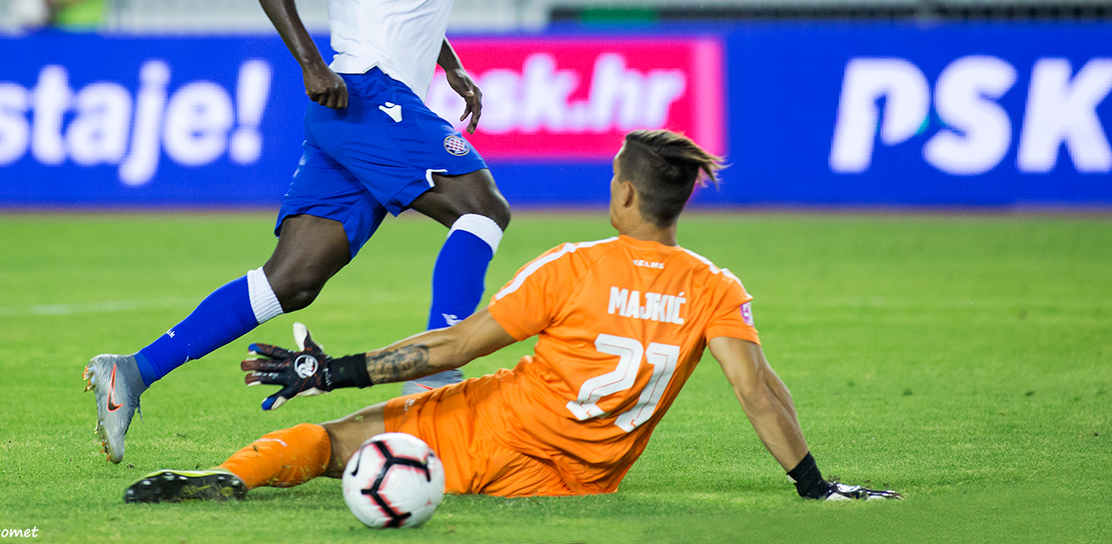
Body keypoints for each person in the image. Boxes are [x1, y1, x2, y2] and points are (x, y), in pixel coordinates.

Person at [84, 0, 511, 465]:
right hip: (364, 96)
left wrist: (451, 66)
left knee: (291, 281)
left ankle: (130, 372)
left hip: (371, 109)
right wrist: (312, 63)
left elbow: (409, 6)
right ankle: (437, 372)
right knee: (483, 209)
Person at [123, 130, 901, 503]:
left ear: (626, 193)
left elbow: (454, 346)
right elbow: (756, 389)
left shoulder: (573, 266)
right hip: (580, 480)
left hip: (493, 429)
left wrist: (332, 372)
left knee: (329, 442)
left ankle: (227, 477)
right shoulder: (715, 289)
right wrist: (813, 485)